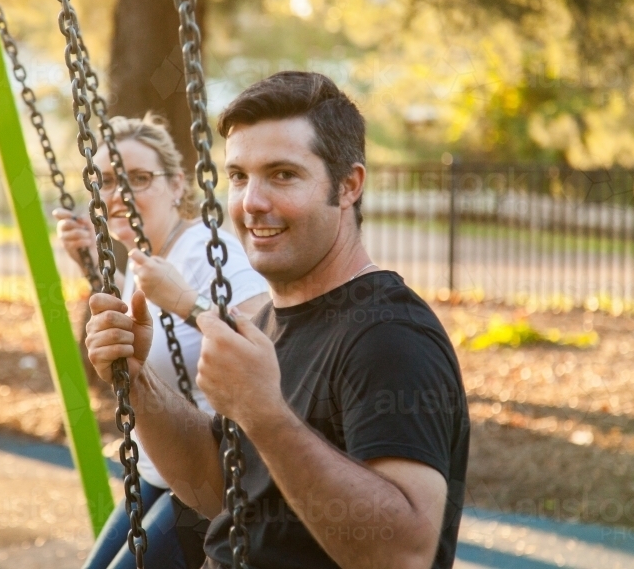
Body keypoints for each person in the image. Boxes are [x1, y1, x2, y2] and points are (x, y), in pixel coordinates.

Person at [83, 72, 471, 569]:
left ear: (348, 185)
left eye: (283, 174)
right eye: (240, 176)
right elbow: (215, 489)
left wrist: (263, 413)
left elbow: (403, 555)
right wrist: (136, 380)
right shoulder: (268, 319)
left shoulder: (389, 334)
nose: (251, 203)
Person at [54, 113, 269, 569]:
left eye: (139, 178)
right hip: (160, 469)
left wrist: (185, 302)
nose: (120, 194)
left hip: (213, 474)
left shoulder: (205, 251)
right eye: (108, 181)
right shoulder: (143, 256)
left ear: (176, 186)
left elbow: (269, 337)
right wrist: (92, 262)